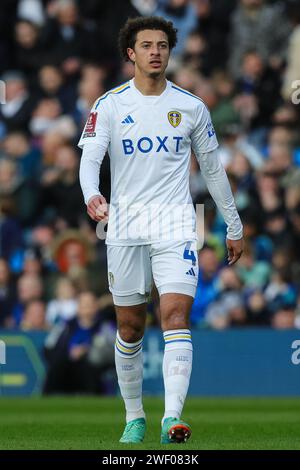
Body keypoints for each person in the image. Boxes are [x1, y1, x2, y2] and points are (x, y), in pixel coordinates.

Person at [79, 16, 243, 444]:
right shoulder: (109, 104)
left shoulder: (191, 106)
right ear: (131, 53)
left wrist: (234, 223)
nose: (156, 51)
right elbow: (90, 159)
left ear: (170, 52)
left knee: (175, 316)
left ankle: (172, 418)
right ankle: (135, 416)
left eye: (163, 45)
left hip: (175, 224)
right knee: (131, 328)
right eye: (147, 45)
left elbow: (213, 169)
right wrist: (91, 195)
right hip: (125, 226)